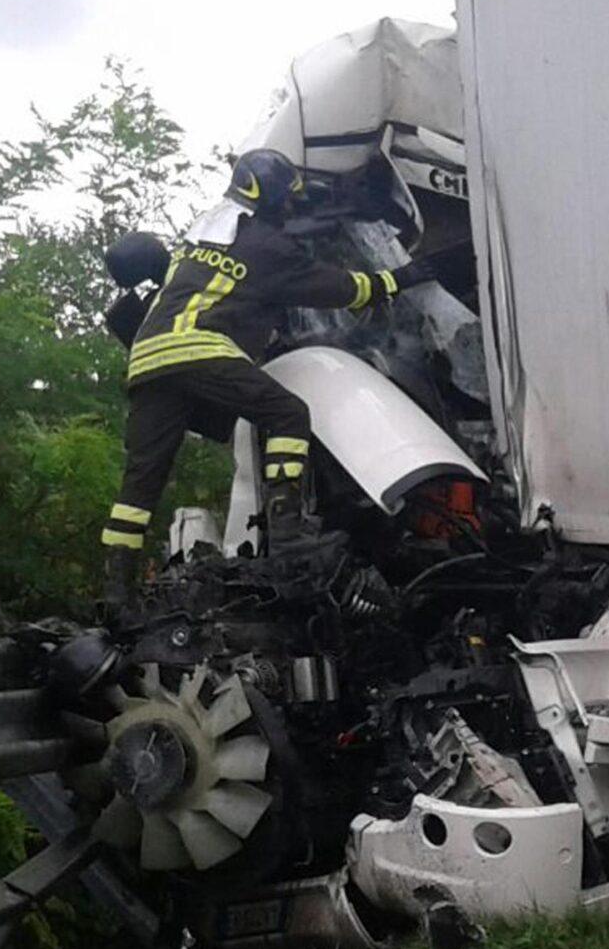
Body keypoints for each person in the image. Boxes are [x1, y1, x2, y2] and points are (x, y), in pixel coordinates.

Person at [99, 148, 436, 607]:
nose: (288, 209)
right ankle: (289, 536)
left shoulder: (203, 233)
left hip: (148, 359)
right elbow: (339, 289)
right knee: (287, 415)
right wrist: (397, 280)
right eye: (286, 201)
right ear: (273, 195)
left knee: (140, 484)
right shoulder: (268, 246)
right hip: (199, 347)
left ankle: (115, 594)